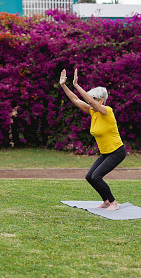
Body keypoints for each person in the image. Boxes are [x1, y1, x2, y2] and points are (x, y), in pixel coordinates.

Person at [59, 69, 126, 211]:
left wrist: (76, 85)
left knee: (96, 177)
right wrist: (64, 85)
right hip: (106, 152)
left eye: (94, 100)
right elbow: (76, 100)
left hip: (117, 152)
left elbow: (88, 100)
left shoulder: (107, 111)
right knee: (90, 177)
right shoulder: (93, 111)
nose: (91, 103)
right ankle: (106, 201)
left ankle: (114, 203)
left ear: (101, 101)